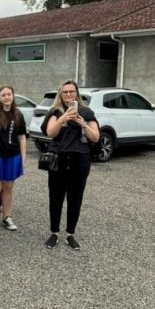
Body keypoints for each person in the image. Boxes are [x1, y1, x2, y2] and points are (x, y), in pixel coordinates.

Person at [41, 81, 100, 250]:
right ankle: (54, 233)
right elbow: (50, 132)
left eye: (71, 92)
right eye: (65, 92)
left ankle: (70, 234)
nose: (68, 95)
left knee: (75, 198)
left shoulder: (87, 112)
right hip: (58, 159)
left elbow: (95, 137)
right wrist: (62, 119)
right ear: (60, 94)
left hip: (80, 160)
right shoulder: (55, 112)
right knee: (56, 197)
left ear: (76, 93)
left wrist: (83, 124)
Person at [0, 85, 27, 232]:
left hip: (13, 156)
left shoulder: (18, 114)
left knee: (8, 187)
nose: (7, 97)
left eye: (9, 94)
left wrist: (23, 158)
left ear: (13, 96)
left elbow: (22, 138)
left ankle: (7, 217)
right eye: (4, 95)